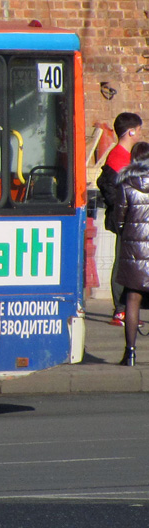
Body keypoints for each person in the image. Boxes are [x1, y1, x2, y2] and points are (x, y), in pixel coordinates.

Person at [98, 111, 143, 326]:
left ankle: (129, 310)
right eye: (138, 130)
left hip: (131, 218)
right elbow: (120, 191)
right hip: (125, 218)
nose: (140, 134)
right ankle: (121, 309)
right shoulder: (119, 157)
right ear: (131, 131)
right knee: (123, 263)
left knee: (131, 263)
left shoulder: (123, 156)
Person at [113, 140, 149, 366]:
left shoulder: (126, 184)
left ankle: (131, 353)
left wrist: (126, 233)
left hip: (134, 250)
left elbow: (119, 219)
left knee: (132, 299)